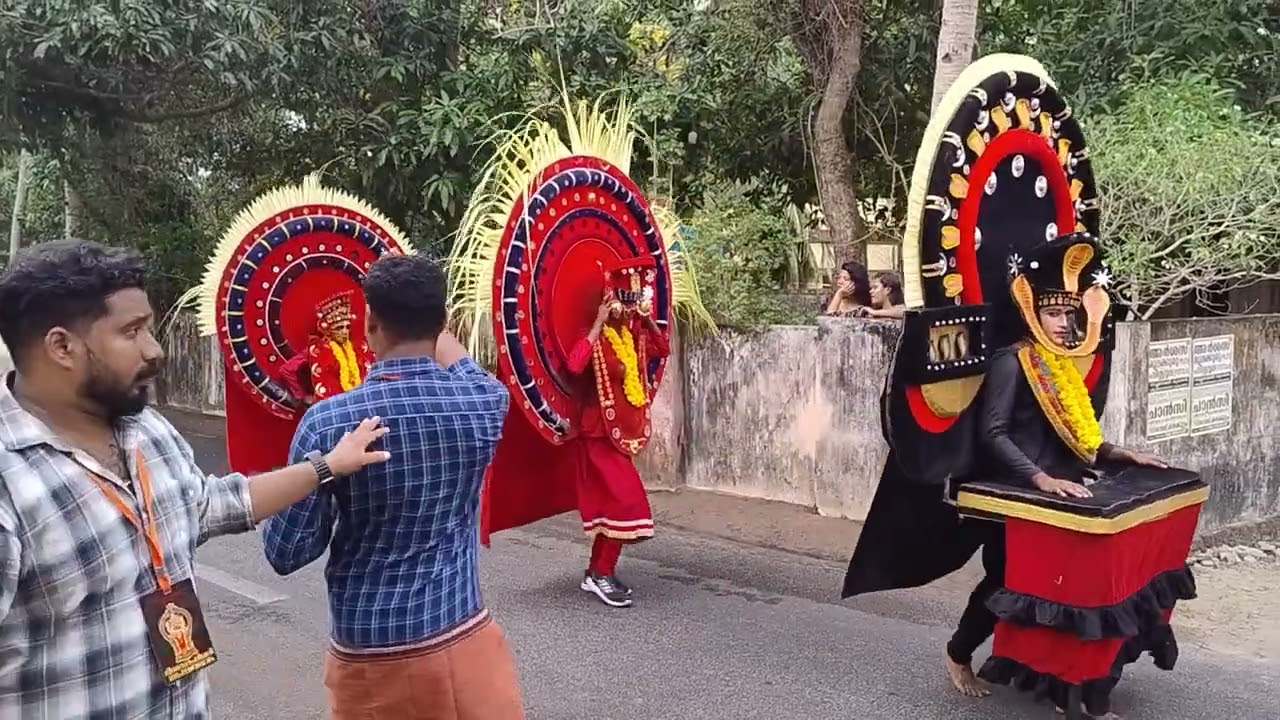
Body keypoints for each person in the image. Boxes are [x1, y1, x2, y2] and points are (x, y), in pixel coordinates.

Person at [0, 239, 389, 719]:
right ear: (61, 346)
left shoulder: (148, 429)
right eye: (131, 331)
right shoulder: (10, 480)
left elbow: (209, 504)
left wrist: (327, 465)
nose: (154, 349)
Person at [261, 253, 525, 719]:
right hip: (465, 639)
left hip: (373, 658)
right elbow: (464, 364)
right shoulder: (485, 400)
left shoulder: (329, 423)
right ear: (442, 321)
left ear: (369, 323)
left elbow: (286, 552)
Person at [564, 257, 670, 608]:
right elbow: (575, 365)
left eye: (630, 298)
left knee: (614, 507)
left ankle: (598, 572)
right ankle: (601, 572)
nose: (626, 306)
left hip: (621, 434)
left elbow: (662, 349)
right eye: (621, 299)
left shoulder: (631, 335)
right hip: (596, 436)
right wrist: (597, 323)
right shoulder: (596, 337)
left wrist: (645, 319)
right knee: (627, 504)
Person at [281, 290, 376, 405]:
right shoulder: (317, 350)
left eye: (347, 327)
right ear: (328, 330)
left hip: (359, 403)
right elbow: (287, 370)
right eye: (339, 328)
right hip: (331, 407)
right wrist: (302, 396)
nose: (344, 331)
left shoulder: (357, 347)